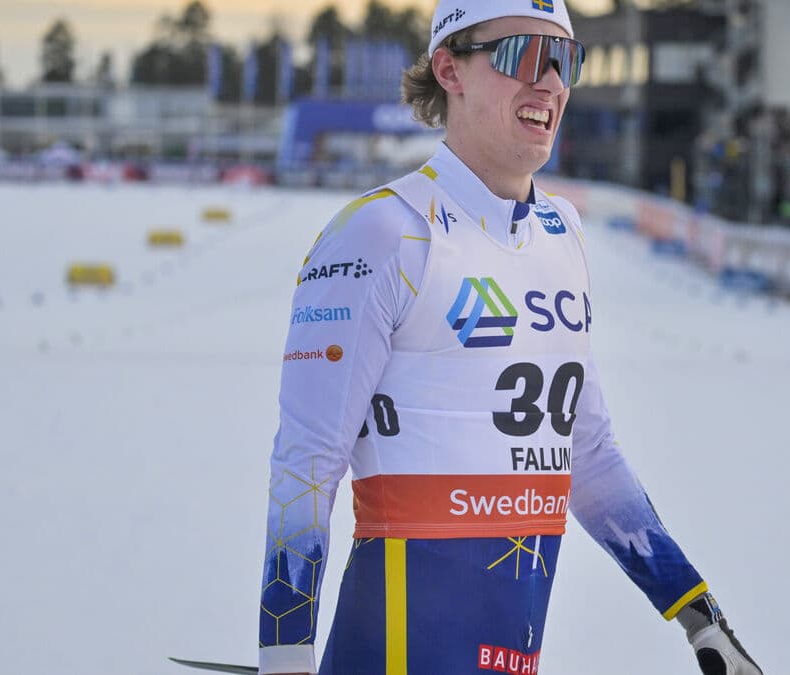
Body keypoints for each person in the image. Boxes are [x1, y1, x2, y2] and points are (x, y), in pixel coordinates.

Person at [258, 2, 762, 674]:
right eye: (523, 54)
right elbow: (304, 469)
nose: (551, 81)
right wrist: (285, 660)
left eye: (566, 61)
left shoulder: (563, 233)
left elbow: (586, 446)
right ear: (449, 68)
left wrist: (697, 611)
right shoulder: (383, 233)